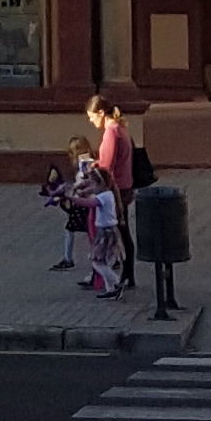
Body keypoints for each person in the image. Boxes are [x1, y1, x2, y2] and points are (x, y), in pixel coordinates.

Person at [85, 96, 136, 293]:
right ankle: (126, 273)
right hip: (125, 186)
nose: (91, 121)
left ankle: (116, 275)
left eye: (92, 116)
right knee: (123, 232)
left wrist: (92, 169)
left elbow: (107, 168)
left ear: (100, 113)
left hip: (116, 190)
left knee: (117, 232)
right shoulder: (121, 129)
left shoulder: (111, 132)